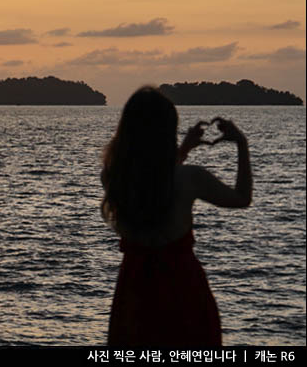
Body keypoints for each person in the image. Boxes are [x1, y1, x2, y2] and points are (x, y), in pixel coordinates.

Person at [101, 86, 252, 347]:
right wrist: (241, 144)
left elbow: (153, 182)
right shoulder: (189, 179)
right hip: (184, 293)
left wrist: (183, 150)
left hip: (134, 295)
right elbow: (241, 198)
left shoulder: (113, 178)